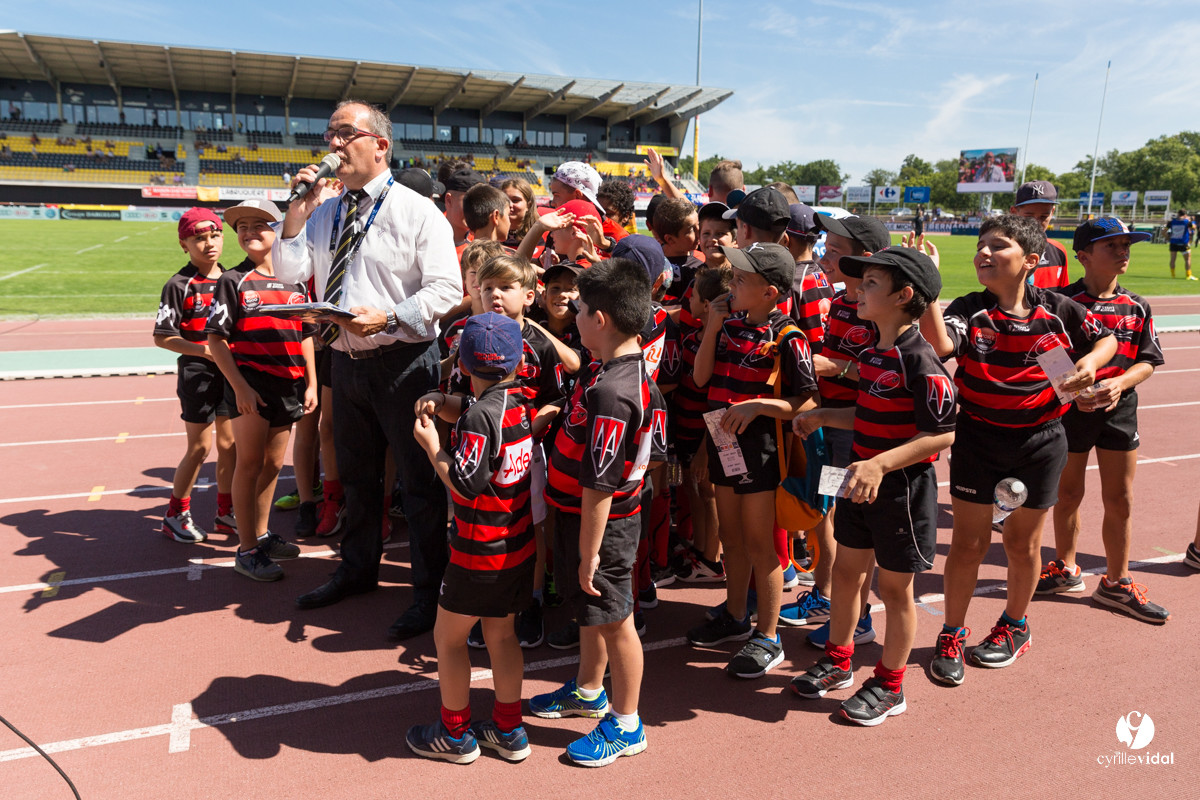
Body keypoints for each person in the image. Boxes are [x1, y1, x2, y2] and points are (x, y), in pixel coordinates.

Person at [273, 100, 462, 642]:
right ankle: (357, 570)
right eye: (328, 133)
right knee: (355, 478)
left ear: (381, 145)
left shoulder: (416, 210)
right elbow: (289, 272)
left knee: (420, 484)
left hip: (404, 361)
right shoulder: (327, 210)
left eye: (344, 133)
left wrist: (392, 314)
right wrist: (297, 212)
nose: (332, 144)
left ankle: (429, 593)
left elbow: (447, 290)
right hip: (345, 360)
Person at [918, 214, 1116, 685]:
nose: (984, 252)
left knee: (1021, 544)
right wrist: (929, 287)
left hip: (1041, 443)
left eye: (998, 246)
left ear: (1030, 260)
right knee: (967, 544)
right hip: (978, 440)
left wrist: (1087, 365)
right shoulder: (971, 309)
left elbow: (1107, 339)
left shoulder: (1059, 310)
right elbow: (942, 343)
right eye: (981, 244)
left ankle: (1014, 625)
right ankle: (952, 632)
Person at [790, 247, 954, 726]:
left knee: (895, 589)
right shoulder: (872, 352)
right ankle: (839, 661)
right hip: (861, 479)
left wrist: (880, 464)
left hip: (900, 489)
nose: (859, 289)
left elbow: (942, 431)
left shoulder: (920, 359)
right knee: (846, 573)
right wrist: (823, 415)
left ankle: (890, 684)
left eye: (872, 285)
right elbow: (870, 413)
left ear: (905, 296)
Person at [532, 258, 666, 767]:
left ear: (602, 320)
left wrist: (589, 553)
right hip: (583, 519)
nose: (575, 314)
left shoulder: (615, 392)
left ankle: (627, 724)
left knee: (615, 619)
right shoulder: (608, 370)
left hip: (603, 527)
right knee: (592, 612)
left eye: (582, 308)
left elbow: (600, 486)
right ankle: (589, 689)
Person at [405, 313, 535, 764]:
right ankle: (508, 728)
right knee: (502, 636)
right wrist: (444, 400)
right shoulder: (517, 402)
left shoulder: (480, 418)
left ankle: (455, 735)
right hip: (515, 546)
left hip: (479, 551)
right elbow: (482, 411)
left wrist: (431, 446)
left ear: (461, 361)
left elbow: (463, 484)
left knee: (449, 639)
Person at [686, 242, 818, 678]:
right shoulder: (727, 327)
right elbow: (702, 378)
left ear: (771, 293)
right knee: (732, 538)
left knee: (763, 545)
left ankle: (769, 636)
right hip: (724, 446)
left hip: (762, 452)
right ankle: (737, 614)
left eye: (743, 279)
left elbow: (805, 403)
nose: (733, 283)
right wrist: (712, 325)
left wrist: (759, 405)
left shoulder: (788, 337)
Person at [1039, 218, 1170, 624]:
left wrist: (1119, 385)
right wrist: (1074, 393)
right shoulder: (1059, 302)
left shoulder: (1137, 306)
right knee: (1069, 493)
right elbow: (1048, 358)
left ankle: (1116, 581)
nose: (1122, 251)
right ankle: (1064, 567)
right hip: (1072, 410)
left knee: (1120, 498)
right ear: (1083, 256)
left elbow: (1148, 360)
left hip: (1120, 409)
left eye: (1126, 245)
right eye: (1111, 245)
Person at [781, 214, 891, 640]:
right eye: (827, 246)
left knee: (855, 524)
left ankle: (857, 618)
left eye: (837, 251)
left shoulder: (879, 309)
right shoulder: (845, 302)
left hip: (861, 431)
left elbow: (888, 375)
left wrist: (836, 366)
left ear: (865, 260)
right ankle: (828, 596)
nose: (825, 255)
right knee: (829, 511)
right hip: (833, 424)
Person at [205, 200, 317, 581]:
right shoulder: (232, 280)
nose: (250, 232)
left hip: (289, 383)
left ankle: (263, 534)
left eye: (260, 225)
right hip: (250, 385)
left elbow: (305, 335)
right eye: (243, 227)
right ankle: (246, 548)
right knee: (249, 464)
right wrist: (240, 388)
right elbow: (216, 341)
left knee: (272, 466)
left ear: (279, 230)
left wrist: (312, 382)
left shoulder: (296, 279)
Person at [152, 208, 236, 543]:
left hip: (231, 372)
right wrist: (204, 350)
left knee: (229, 445)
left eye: (214, 235)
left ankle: (225, 512)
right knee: (200, 448)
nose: (208, 243)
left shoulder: (232, 279)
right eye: (198, 238)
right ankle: (176, 513)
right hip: (198, 373)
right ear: (184, 243)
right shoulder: (178, 284)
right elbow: (162, 336)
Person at [549, 160, 627, 250]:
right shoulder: (557, 228)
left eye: (556, 195)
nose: (553, 202)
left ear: (577, 195)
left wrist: (606, 245)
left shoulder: (619, 237)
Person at [1009, 180, 1069, 289]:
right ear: (1014, 212)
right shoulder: (1001, 251)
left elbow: (1063, 297)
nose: (1035, 223)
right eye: (1029, 217)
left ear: (1052, 212)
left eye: (1043, 217)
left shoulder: (1058, 250)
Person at [1165, 209, 1196, 279]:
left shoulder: (1172, 222)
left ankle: (1173, 275)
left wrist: (1167, 238)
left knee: (1173, 259)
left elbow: (1164, 232)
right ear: (1185, 214)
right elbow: (1194, 227)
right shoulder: (1186, 221)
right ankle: (1188, 275)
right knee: (1188, 259)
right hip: (1183, 242)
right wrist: (1190, 220)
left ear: (1178, 214)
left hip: (1173, 242)